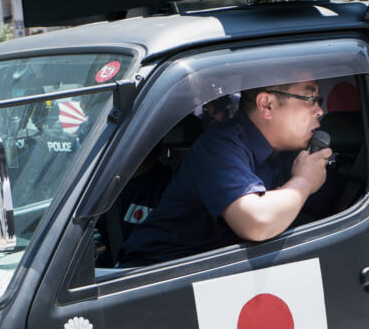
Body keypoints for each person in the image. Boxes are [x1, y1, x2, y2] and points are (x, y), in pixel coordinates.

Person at [117, 78, 333, 267]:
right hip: (158, 277)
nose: (319, 111)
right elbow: (257, 222)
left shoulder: (290, 152)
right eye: (309, 99)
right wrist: (304, 181)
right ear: (267, 105)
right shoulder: (220, 146)